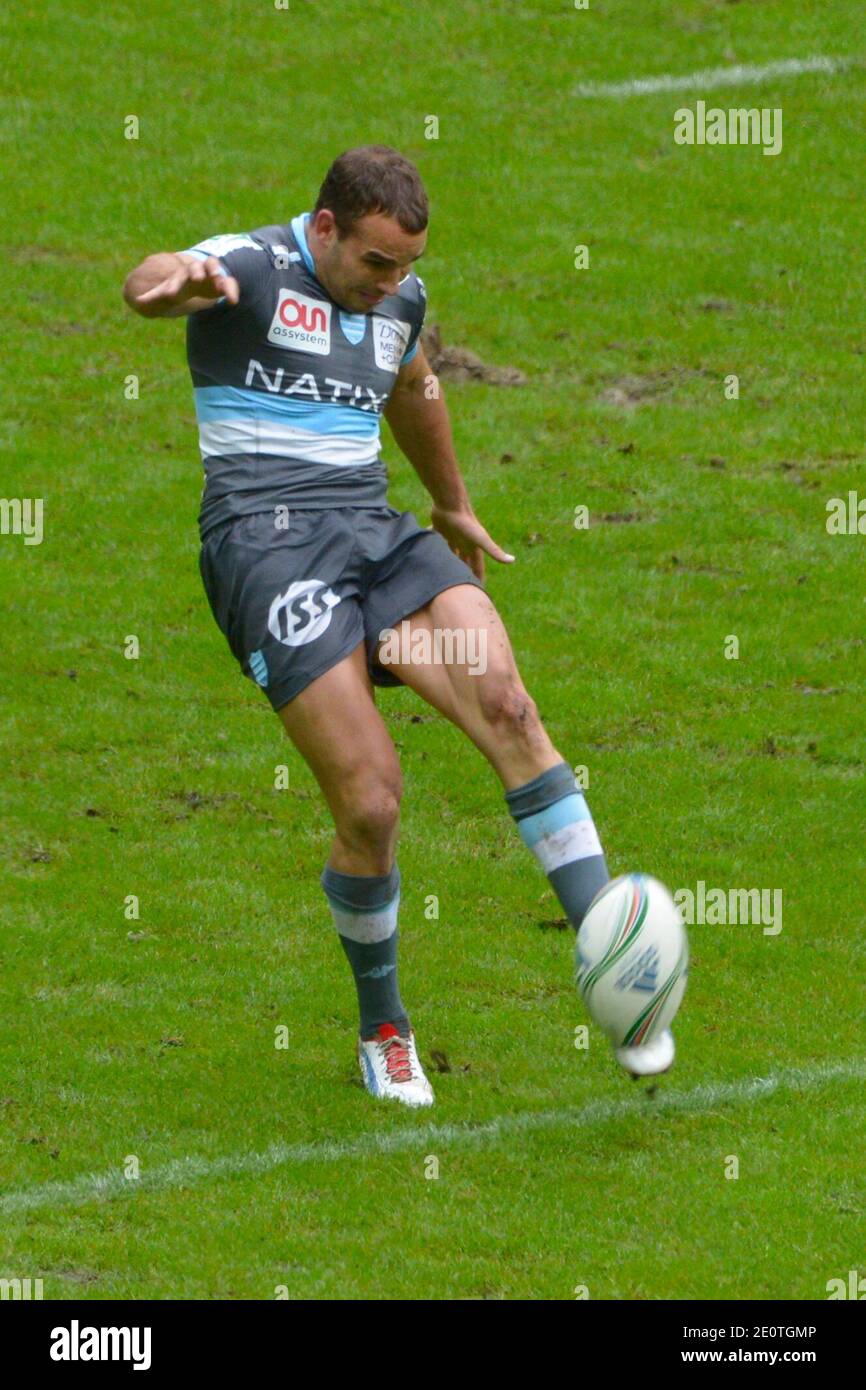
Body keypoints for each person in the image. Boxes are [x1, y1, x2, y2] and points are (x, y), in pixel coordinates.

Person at [122, 144, 613, 1108]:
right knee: (373, 803)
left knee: (508, 705)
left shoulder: (400, 301)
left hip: (374, 532)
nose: (392, 283)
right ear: (325, 229)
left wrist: (452, 502)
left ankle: (611, 957)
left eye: (408, 266)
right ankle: (384, 1029)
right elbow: (151, 285)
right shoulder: (252, 267)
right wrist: (172, 282)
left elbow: (413, 384)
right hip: (266, 547)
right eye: (377, 263)